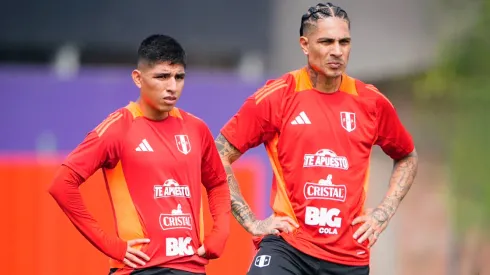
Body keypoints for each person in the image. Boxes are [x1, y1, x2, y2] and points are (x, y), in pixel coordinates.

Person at [215, 2, 418, 275]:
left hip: (349, 257)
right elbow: (218, 154)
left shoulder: (371, 102)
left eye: (344, 42)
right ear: (304, 44)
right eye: (326, 41)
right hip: (288, 247)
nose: (337, 51)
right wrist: (252, 222)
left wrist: (383, 213)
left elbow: (407, 155)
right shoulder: (277, 96)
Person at [49, 34, 231, 275]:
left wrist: (220, 233)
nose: (172, 86)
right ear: (138, 78)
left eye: (179, 77)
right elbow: (62, 185)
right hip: (139, 269)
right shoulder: (118, 127)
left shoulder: (196, 128)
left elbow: (217, 182)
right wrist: (110, 244)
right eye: (162, 76)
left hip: (191, 268)